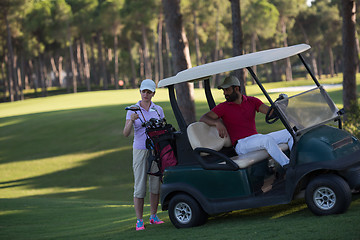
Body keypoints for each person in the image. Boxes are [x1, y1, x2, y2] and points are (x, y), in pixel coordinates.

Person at [199, 75, 293, 168]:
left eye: (227, 90)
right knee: (266, 140)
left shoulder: (252, 101)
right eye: (223, 90)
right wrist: (217, 123)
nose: (224, 93)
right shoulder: (223, 107)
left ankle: (296, 162)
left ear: (236, 89)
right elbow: (204, 118)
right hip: (241, 144)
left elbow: (270, 113)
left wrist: (281, 104)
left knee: (290, 132)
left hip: (256, 138)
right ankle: (288, 166)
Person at [123, 79, 165, 231]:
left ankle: (153, 216)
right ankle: (139, 220)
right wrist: (130, 121)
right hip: (140, 149)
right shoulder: (132, 109)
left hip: (155, 149)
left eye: (149, 92)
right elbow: (126, 133)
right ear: (140, 92)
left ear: (153, 93)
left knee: (155, 184)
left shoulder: (158, 110)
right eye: (143, 91)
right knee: (140, 186)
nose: (145, 94)